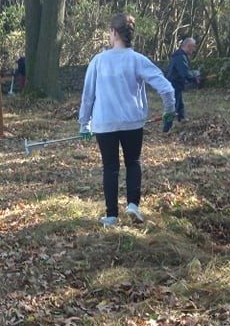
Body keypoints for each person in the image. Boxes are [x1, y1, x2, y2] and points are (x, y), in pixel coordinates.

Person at [78, 13, 176, 226]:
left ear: (113, 32)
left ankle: (112, 215)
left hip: (105, 123)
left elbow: (88, 95)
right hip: (132, 122)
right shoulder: (138, 60)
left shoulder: (98, 61)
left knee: (110, 167)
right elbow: (167, 88)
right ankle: (133, 205)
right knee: (133, 162)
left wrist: (84, 123)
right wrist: (170, 110)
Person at [164, 37, 199, 130]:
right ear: (189, 46)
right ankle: (165, 130)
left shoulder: (179, 55)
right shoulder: (180, 57)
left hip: (176, 86)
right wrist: (195, 78)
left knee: (180, 107)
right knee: (172, 109)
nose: (194, 50)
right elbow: (185, 73)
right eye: (193, 47)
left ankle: (182, 124)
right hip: (173, 86)